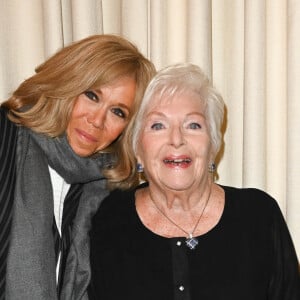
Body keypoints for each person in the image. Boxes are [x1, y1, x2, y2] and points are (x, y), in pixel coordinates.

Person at [89, 63, 300, 299]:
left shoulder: (258, 215)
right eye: (158, 125)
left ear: (213, 144)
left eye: (193, 125)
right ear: (138, 148)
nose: (177, 139)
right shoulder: (109, 218)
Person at [0, 34, 155, 299]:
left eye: (118, 112)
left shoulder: (110, 188)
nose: (97, 120)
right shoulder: (5, 138)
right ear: (66, 83)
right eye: (92, 95)